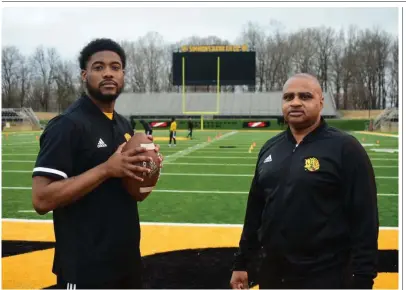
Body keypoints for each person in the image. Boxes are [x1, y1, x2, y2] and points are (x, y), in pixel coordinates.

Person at [31, 38, 163, 289]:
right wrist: (106, 169)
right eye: (99, 67)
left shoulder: (124, 125)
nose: (108, 73)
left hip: (125, 262)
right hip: (85, 269)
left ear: (123, 74)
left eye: (115, 67)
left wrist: (149, 171)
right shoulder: (67, 125)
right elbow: (41, 199)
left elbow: (134, 194)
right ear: (84, 75)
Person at [230, 73, 378, 289]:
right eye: (288, 97)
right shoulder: (270, 148)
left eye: (305, 96)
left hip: (326, 275)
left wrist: (363, 279)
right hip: (273, 274)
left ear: (321, 102)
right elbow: (255, 211)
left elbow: (365, 219)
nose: (295, 102)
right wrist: (241, 262)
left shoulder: (346, 148)